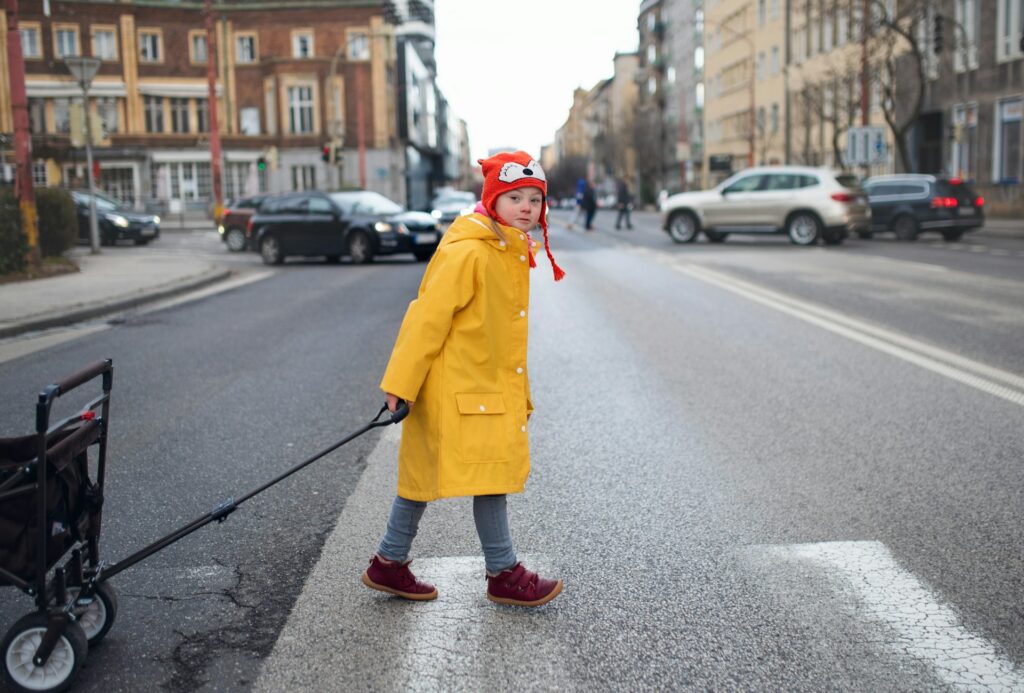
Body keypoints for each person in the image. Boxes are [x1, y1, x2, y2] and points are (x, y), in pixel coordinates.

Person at [362, 150, 565, 608]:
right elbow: (427, 318)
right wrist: (400, 383)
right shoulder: (472, 251)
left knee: (430, 474)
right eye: (515, 198)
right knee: (474, 474)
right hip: (460, 387)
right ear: (493, 200)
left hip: (481, 386)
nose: (528, 208)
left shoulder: (505, 248)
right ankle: (503, 572)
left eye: (535, 198)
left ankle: (390, 562)